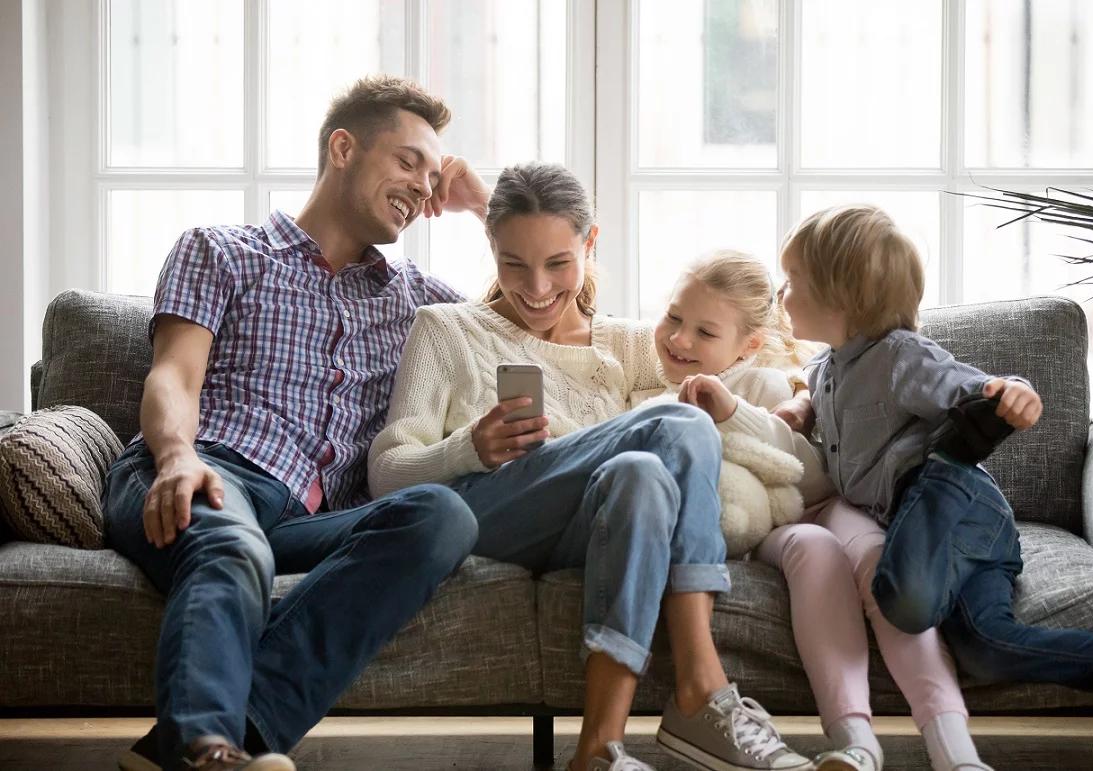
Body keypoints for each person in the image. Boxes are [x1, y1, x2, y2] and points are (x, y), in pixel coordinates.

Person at [369, 162, 815, 771]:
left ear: (590, 244)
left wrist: (809, 395)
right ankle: (703, 689)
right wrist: (469, 446)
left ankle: (599, 749)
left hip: (589, 527)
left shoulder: (633, 344)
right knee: (678, 424)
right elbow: (386, 473)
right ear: (491, 250)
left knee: (643, 474)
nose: (536, 288)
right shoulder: (447, 330)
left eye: (558, 263)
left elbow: (739, 359)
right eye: (513, 264)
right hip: (489, 512)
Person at [103, 75, 491, 771]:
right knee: (234, 546)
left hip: (308, 521)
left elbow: (543, 315)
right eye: (407, 161)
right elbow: (175, 375)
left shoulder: (418, 303)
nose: (420, 185)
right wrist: (175, 456)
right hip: (208, 469)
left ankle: (211, 745)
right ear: (343, 148)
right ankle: (205, 748)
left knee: (442, 514)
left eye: (433, 176)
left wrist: (486, 208)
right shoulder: (223, 251)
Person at [779, 204, 1093, 709]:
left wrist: (1014, 391)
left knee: (904, 603)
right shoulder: (823, 369)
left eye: (792, 279)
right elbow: (820, 408)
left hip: (958, 508)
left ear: (840, 294)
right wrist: (800, 410)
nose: (781, 292)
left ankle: (952, 459)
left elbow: (973, 387)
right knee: (984, 650)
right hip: (951, 539)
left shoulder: (898, 356)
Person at [647, 250, 991, 771]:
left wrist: (734, 412)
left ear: (750, 345)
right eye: (673, 318)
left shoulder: (768, 383)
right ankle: (855, 739)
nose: (680, 339)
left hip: (824, 503)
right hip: (770, 527)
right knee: (813, 547)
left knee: (879, 562)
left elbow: (812, 475)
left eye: (704, 332)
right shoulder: (648, 393)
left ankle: (954, 749)